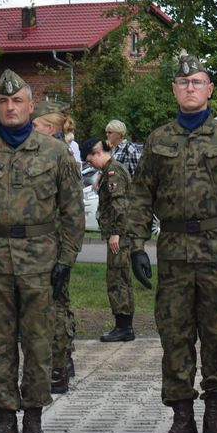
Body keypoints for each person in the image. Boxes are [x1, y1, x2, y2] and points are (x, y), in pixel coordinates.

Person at [128, 51, 217, 433]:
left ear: (210, 90)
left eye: (198, 82)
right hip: (173, 252)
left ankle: (215, 420)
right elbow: (140, 196)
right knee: (175, 336)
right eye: (184, 83)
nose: (190, 88)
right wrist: (136, 245)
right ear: (174, 90)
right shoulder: (159, 139)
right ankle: (182, 419)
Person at [0, 69, 84, 433]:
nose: (11, 107)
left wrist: (66, 260)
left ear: (30, 105)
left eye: (18, 101)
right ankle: (6, 418)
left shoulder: (55, 153)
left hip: (41, 261)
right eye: (4, 102)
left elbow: (72, 211)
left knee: (39, 340)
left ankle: (35, 418)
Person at [31, 100, 80, 393]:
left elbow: (71, 211)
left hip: (57, 244)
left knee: (57, 305)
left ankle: (60, 365)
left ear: (48, 128)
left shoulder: (61, 157)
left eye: (36, 126)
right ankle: (62, 359)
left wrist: (65, 254)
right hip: (42, 244)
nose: (32, 130)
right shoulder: (43, 154)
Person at [83, 136, 137, 343]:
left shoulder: (113, 172)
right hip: (118, 233)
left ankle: (123, 327)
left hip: (119, 236)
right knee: (119, 278)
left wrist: (116, 232)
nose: (90, 164)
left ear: (98, 153)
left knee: (118, 279)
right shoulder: (108, 171)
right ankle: (124, 326)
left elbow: (120, 205)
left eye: (90, 160)